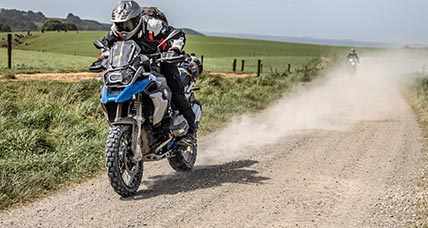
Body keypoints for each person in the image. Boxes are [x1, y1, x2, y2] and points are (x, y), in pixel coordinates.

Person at [99, 1, 196, 143]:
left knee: (175, 89)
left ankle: (191, 129)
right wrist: (104, 57)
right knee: (112, 86)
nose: (124, 29)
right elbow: (106, 46)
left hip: (160, 59)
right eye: (120, 24)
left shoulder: (153, 24)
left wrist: (174, 50)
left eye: (128, 24)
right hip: (131, 65)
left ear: (138, 19)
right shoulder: (115, 29)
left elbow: (177, 35)